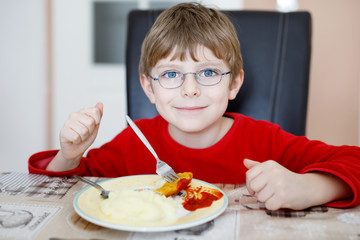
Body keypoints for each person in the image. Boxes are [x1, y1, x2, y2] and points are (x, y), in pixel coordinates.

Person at [28, 2, 360, 211]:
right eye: (171, 74)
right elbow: (60, 188)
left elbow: (354, 161)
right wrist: (69, 155)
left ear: (234, 84)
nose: (190, 90)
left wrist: (309, 187)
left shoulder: (265, 142)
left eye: (208, 72)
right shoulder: (135, 140)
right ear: (149, 87)